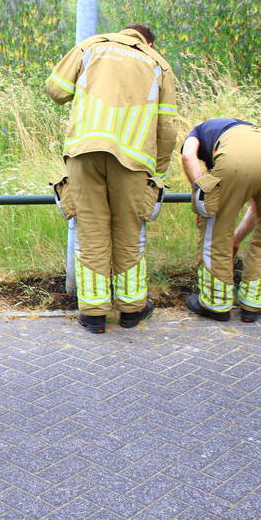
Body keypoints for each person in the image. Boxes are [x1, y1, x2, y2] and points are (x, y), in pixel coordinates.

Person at [46, 25, 178, 333]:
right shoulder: (158, 63)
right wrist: (157, 169)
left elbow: (56, 90)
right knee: (130, 231)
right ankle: (131, 311)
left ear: (124, 33)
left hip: (85, 151)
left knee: (90, 229)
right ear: (147, 41)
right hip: (133, 159)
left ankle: (93, 315)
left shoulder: (91, 46)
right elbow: (167, 126)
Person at [180, 119, 261, 322]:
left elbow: (187, 156)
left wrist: (202, 193)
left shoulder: (197, 131)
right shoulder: (251, 130)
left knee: (216, 233)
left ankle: (215, 304)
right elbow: (258, 209)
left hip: (235, 162)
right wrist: (236, 239)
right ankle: (253, 305)